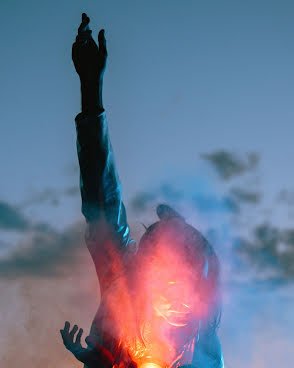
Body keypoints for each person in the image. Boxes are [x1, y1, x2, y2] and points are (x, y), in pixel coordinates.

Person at [60, 13, 225, 368]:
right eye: (173, 283)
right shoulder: (122, 281)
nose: (183, 301)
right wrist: (91, 92)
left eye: (192, 287)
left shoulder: (204, 343)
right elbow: (102, 199)